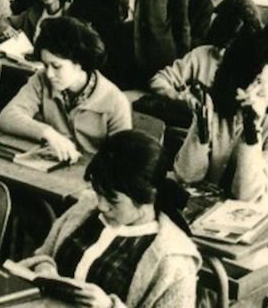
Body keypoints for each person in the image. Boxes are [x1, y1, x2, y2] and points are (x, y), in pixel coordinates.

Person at [19, 132, 200, 308]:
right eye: (98, 193)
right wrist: (44, 267)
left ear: (147, 197)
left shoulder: (174, 261)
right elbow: (43, 254)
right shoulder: (84, 210)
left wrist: (108, 306)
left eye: (113, 201)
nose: (101, 206)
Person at [174, 37, 268, 268]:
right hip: (212, 226)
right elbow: (187, 175)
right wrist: (202, 124)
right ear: (236, 78)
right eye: (257, 81)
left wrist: (251, 130)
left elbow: (248, 197)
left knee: (194, 267)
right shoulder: (219, 109)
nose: (265, 92)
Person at [0, 16, 132, 160]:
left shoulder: (115, 102)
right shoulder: (41, 79)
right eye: (45, 65)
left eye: (56, 66)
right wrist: (48, 133)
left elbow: (122, 160)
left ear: (80, 63)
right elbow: (7, 117)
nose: (49, 74)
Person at [139, 0, 262, 128]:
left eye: (231, 48)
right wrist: (184, 99)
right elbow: (158, 80)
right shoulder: (202, 55)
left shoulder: (258, 67)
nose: (222, 53)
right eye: (222, 45)